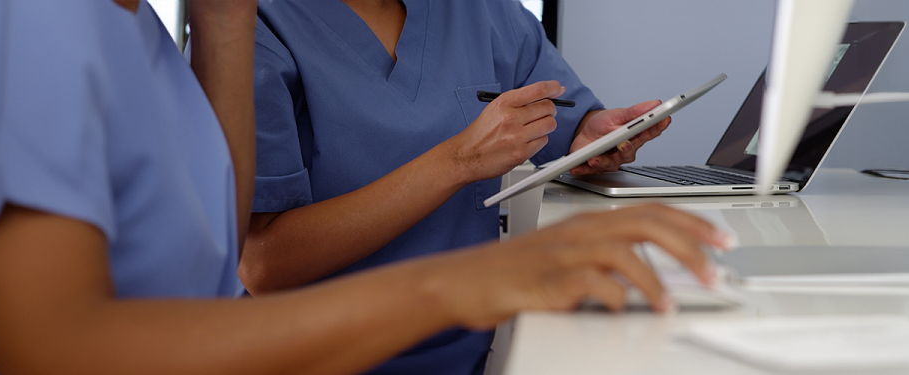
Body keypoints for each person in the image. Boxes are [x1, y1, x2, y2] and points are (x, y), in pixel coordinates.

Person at [0, 1, 728, 375]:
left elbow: (209, 252)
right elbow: (59, 347)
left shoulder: (140, 27)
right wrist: (460, 281)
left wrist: (226, 20)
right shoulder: (17, 15)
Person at [248, 1, 675, 372]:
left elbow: (564, 117)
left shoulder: (482, 10)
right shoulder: (256, 26)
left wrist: (588, 135)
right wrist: (459, 161)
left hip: (473, 347)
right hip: (322, 355)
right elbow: (263, 265)